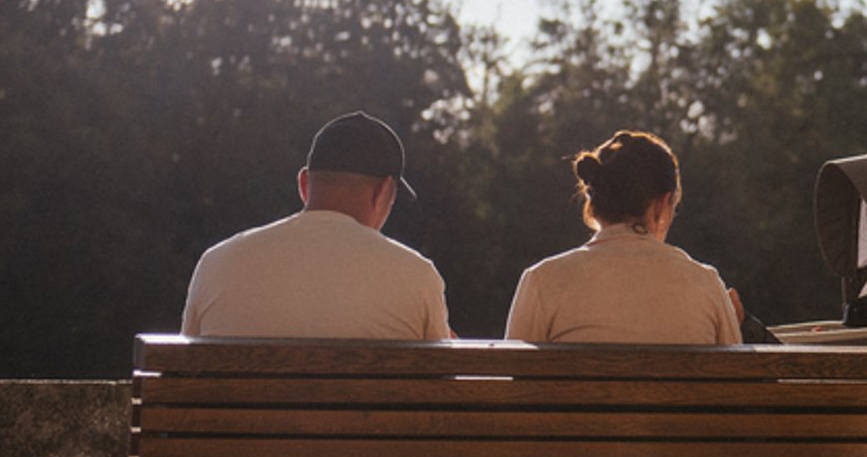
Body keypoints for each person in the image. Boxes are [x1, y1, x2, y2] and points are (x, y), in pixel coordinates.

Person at [181, 111, 452, 340]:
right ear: (382, 193)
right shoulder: (417, 277)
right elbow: (447, 390)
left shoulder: (216, 263)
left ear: (304, 184)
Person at [504, 130, 742, 344]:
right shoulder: (706, 285)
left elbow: (510, 385)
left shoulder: (542, 281)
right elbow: (739, 386)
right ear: (662, 204)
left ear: (593, 199)